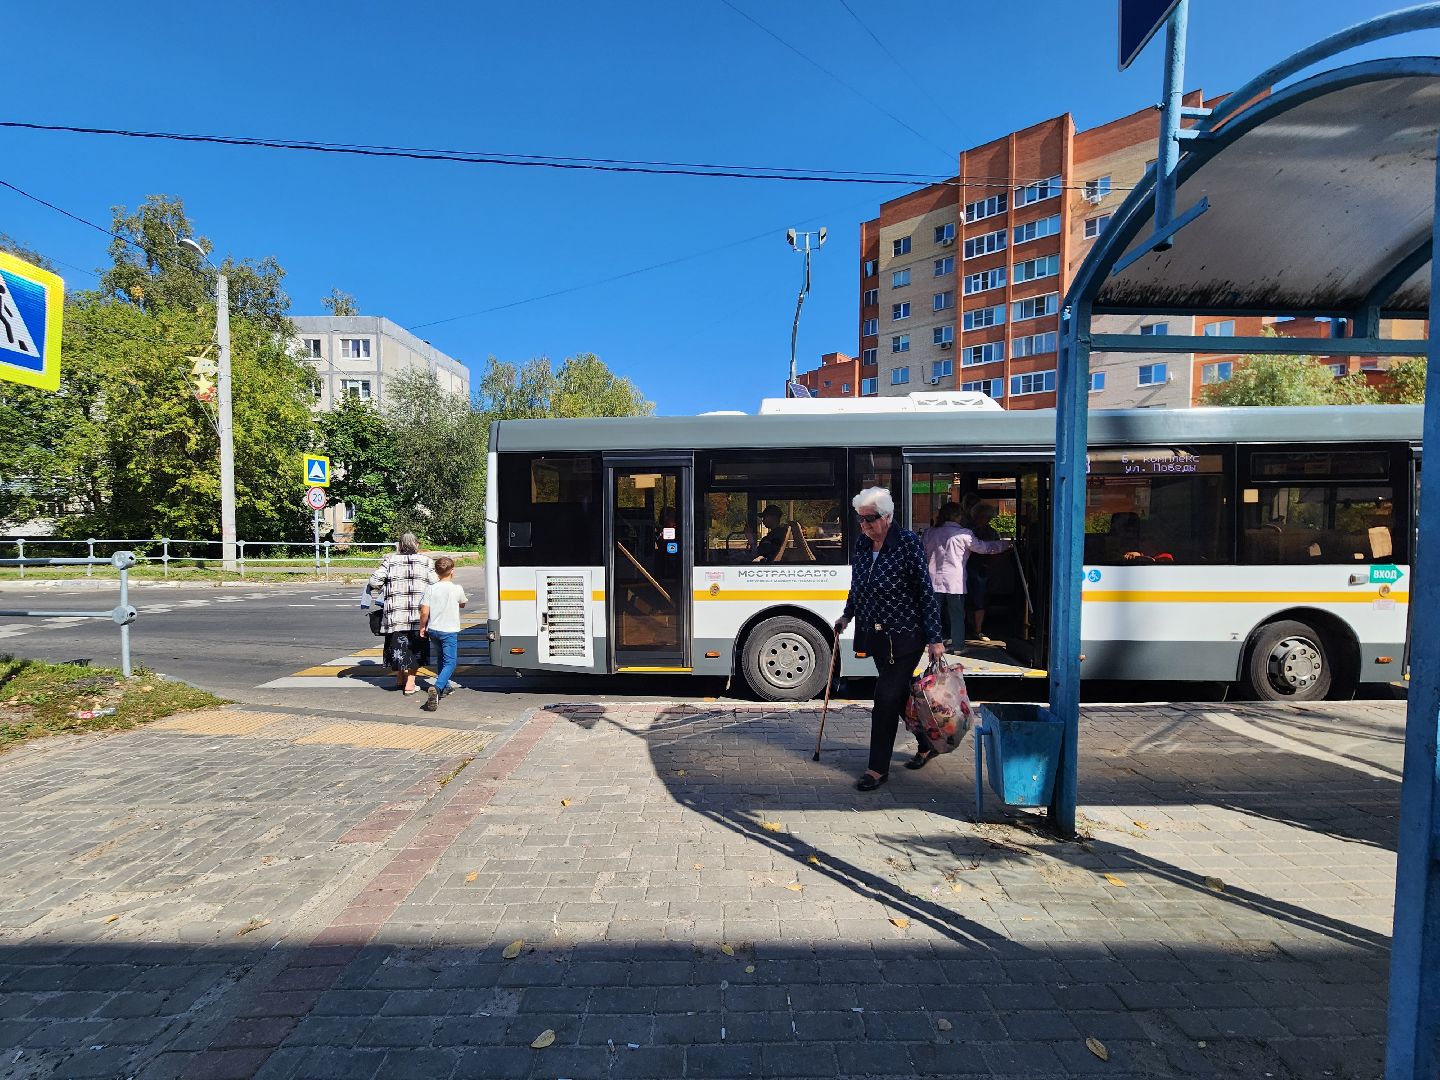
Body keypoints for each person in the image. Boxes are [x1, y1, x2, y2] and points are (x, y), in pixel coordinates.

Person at [833, 486, 946, 791]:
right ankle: (927, 744)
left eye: (869, 518)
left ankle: (877, 769)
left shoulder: (907, 542)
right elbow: (858, 585)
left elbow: (925, 592)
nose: (864, 525)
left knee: (884, 697)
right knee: (899, 695)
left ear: (887, 516)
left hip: (906, 636)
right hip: (876, 634)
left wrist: (935, 638)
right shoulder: (862, 543)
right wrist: (847, 615)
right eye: (860, 519)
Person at [924, 502, 1013, 649]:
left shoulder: (930, 533)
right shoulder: (964, 534)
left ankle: (932, 644)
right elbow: (984, 548)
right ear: (957, 516)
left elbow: (923, 553)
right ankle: (958, 646)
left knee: (933, 615)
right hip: (955, 581)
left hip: (932, 580)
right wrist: (1004, 544)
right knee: (957, 615)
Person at [367, 532, 437, 695]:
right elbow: (435, 584)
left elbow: (374, 581)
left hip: (395, 615)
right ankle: (410, 684)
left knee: (397, 646)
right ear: (417, 545)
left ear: (399, 546)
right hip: (418, 614)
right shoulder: (426, 562)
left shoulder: (390, 560)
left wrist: (384, 588)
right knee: (415, 649)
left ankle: (399, 678)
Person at [418, 556, 468, 712]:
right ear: (452, 571)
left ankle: (446, 687)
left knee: (441, 657)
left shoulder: (431, 588)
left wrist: (422, 627)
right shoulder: (456, 588)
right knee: (451, 662)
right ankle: (437, 687)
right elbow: (463, 603)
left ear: (436, 572)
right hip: (449, 631)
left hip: (433, 630)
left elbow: (424, 611)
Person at [966, 503, 1008, 642]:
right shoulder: (980, 532)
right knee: (978, 599)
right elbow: (986, 548)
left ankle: (974, 628)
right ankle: (977, 630)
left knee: (975, 599)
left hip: (976, 567)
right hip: (979, 568)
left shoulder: (970, 530)